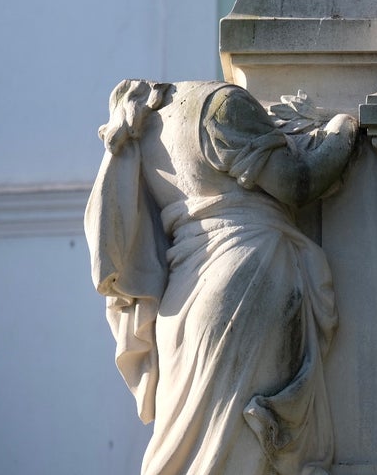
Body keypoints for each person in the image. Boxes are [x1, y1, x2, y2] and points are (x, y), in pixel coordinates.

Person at [85, 80, 360, 475]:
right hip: (245, 278)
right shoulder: (221, 106)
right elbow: (298, 184)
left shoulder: (149, 126)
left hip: (182, 300)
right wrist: (343, 130)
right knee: (237, 447)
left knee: (192, 443)